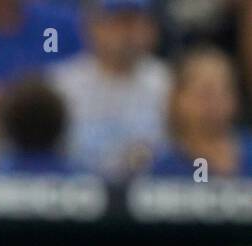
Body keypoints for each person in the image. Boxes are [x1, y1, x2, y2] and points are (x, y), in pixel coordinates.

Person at [49, 0, 170, 179]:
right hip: (79, 194)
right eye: (119, 22)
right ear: (93, 27)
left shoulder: (166, 84)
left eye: (136, 22)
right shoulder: (60, 86)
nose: (128, 33)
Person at [150, 46, 252, 178]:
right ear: (179, 98)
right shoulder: (163, 168)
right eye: (205, 93)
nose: (215, 103)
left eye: (224, 91)